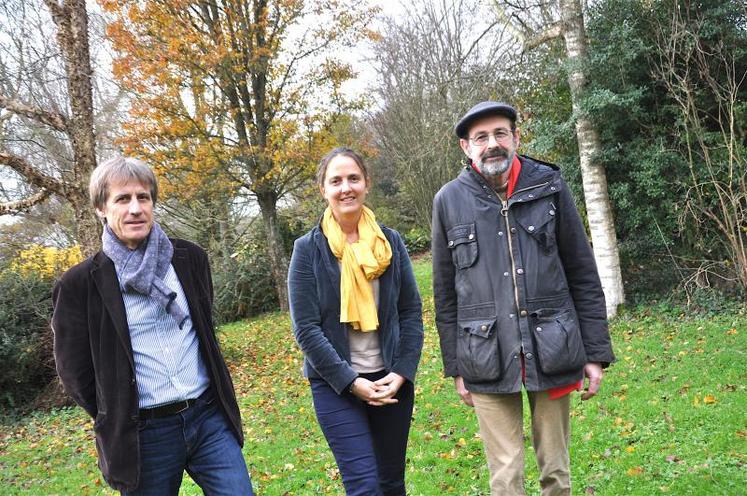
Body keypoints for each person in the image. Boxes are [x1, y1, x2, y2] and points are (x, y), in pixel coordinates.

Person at [431, 102, 615, 495]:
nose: (492, 144)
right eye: (481, 137)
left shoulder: (549, 184)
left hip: (554, 347)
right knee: (506, 476)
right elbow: (445, 296)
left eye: (500, 133)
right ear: (466, 147)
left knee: (556, 472)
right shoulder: (448, 200)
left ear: (516, 137)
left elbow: (582, 271)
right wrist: (456, 366)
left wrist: (595, 352)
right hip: (485, 355)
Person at [52, 156, 254, 495]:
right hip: (144, 435)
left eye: (143, 197)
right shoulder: (79, 284)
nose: (135, 208)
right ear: (102, 208)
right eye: (122, 199)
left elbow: (205, 329)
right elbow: (75, 373)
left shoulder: (189, 259)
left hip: (207, 418)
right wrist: (117, 410)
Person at [288, 147, 424, 495]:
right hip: (336, 386)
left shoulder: (390, 242)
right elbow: (306, 329)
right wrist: (351, 382)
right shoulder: (308, 250)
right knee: (364, 486)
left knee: (391, 483)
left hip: (391, 380)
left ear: (366, 183)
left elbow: (409, 312)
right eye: (336, 181)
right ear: (324, 189)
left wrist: (401, 372)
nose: (345, 187)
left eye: (353, 178)